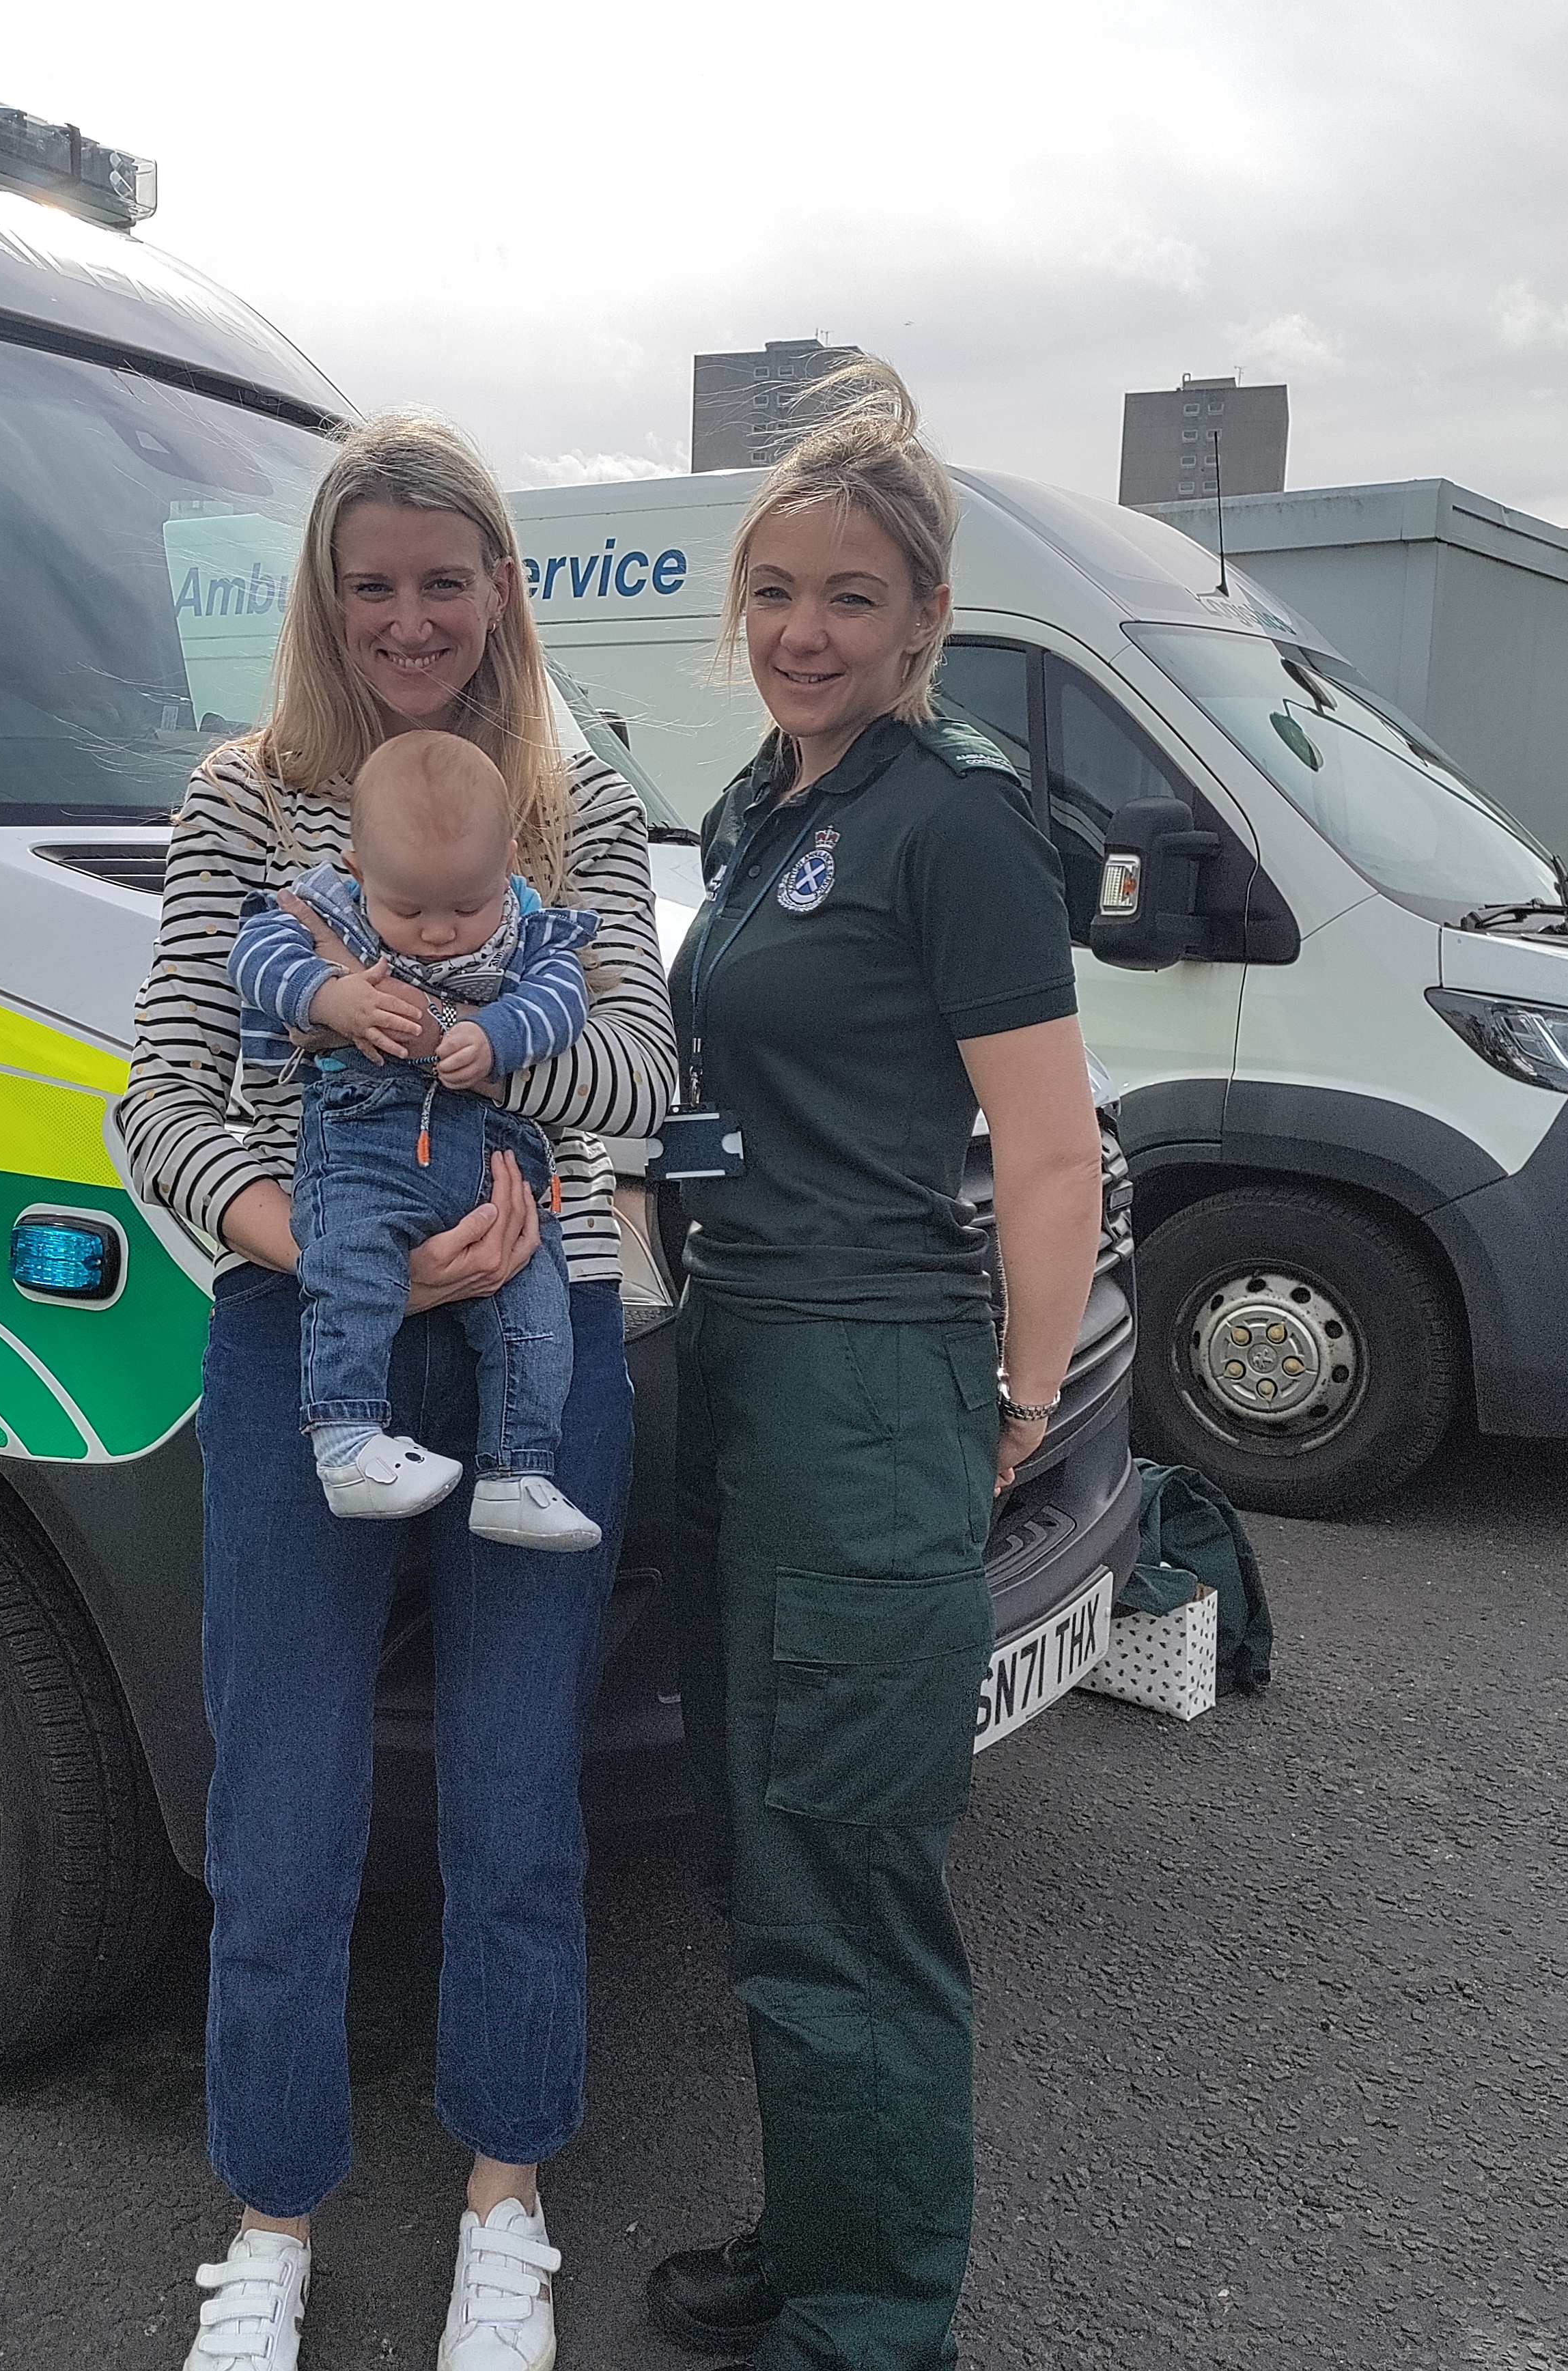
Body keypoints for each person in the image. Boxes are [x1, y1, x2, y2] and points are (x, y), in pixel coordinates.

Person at [119, 410, 675, 2371]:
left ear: (502, 588)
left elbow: (639, 1081)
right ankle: (270, 2218)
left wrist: (469, 1051)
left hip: (547, 1329)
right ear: (326, 597)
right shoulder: (242, 804)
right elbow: (159, 1102)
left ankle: (504, 2209)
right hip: (305, 1328)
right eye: (374, 586)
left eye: (446, 581)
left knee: (519, 1793)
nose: (411, 620)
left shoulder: (579, 813)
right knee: (282, 1796)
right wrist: (323, 1248)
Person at [643, 361, 1105, 2371]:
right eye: (774, 593)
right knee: (763, 1844)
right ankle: (818, 2230)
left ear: (924, 616)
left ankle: (872, 2320)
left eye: (847, 597)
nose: (802, 632)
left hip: (865, 1375)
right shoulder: (766, 808)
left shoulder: (952, 821)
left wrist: (1020, 1400)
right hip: (741, 1353)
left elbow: (1051, 1148)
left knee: (845, 1856)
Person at [227, 728, 606, 1549]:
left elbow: (564, 998)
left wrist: (497, 1035)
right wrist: (330, 998)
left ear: (508, 862)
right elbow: (253, 959)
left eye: (467, 908)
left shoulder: (529, 926)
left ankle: (518, 1472)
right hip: (368, 1146)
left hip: (500, 1169)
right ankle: (346, 1438)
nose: (438, 933)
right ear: (358, 872)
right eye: (408, 911)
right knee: (352, 1271)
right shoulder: (321, 906)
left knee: (539, 1317)